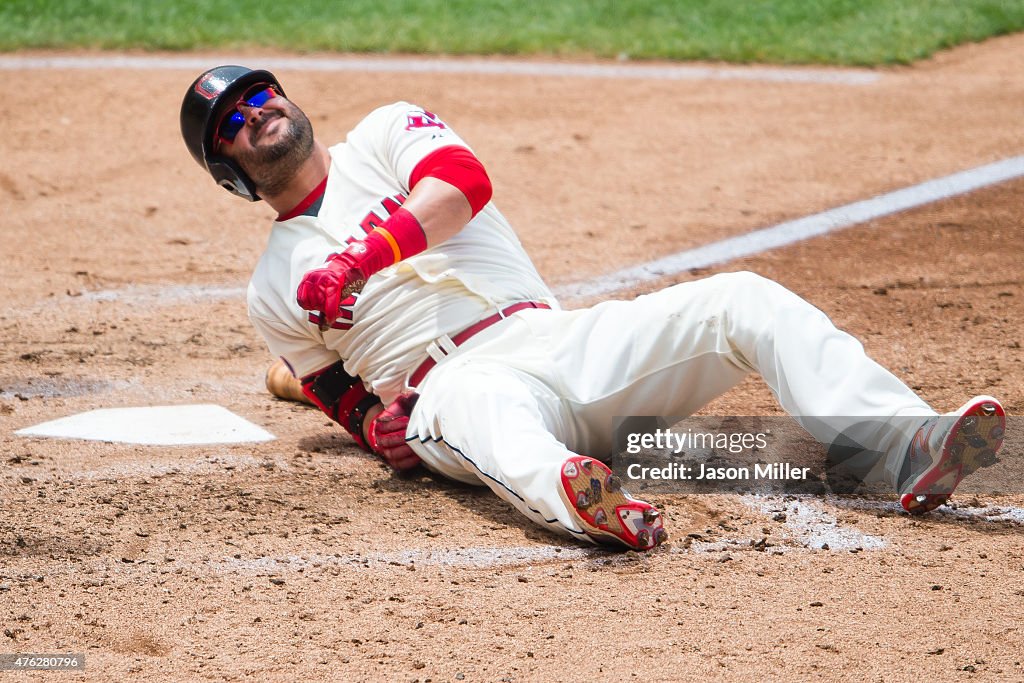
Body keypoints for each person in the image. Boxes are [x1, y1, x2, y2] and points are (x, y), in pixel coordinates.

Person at [179, 65, 1005, 551]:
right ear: (229, 171)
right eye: (235, 125)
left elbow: (463, 188)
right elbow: (344, 400)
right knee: (478, 405)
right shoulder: (270, 291)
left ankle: (909, 441)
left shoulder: (388, 131)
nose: (257, 115)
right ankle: (586, 501)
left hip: (557, 337)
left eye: (260, 97)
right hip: (451, 389)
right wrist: (380, 433)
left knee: (738, 299)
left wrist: (364, 255)